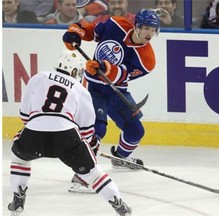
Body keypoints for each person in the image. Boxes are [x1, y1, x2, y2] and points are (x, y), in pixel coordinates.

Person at [7, 50, 132, 216]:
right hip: (66, 136)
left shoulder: (38, 77)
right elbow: (86, 130)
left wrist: (40, 126)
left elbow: (24, 115)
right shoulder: (81, 90)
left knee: (20, 159)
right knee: (93, 174)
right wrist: (88, 145)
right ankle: (119, 205)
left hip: (34, 132)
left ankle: (18, 196)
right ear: (75, 71)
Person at [62, 9, 159, 172]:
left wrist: (104, 67)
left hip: (116, 89)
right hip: (93, 86)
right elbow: (92, 30)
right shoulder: (116, 24)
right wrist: (76, 33)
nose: (149, 33)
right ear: (136, 26)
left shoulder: (147, 59)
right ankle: (82, 173)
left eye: (153, 29)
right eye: (146, 28)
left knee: (135, 131)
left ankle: (120, 158)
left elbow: (124, 75)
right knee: (97, 130)